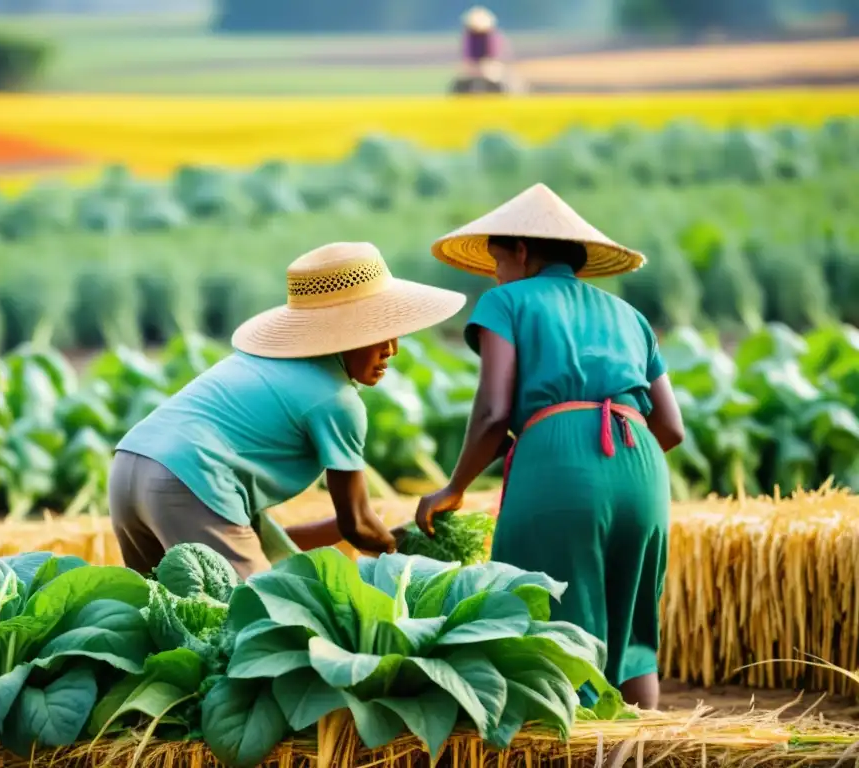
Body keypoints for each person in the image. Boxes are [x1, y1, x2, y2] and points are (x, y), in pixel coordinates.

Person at [414, 183, 684, 710]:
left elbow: (494, 412)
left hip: (561, 462)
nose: (494, 273)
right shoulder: (629, 316)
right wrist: (618, 469)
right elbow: (671, 428)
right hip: (644, 468)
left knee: (554, 632)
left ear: (519, 250)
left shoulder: (504, 302)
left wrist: (453, 487)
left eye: (496, 260)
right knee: (632, 642)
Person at [108, 241, 466, 579]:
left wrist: (389, 533)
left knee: (164, 610)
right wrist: (409, 555)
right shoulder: (336, 400)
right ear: (344, 334)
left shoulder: (264, 366)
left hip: (128, 469)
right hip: (188, 482)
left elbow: (264, 536)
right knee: (253, 621)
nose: (392, 349)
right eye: (378, 332)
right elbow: (356, 524)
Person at [459, 6, 507, 85]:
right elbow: (467, 55)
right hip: (474, 66)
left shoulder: (491, 37)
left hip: (490, 65)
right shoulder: (469, 37)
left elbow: (494, 54)